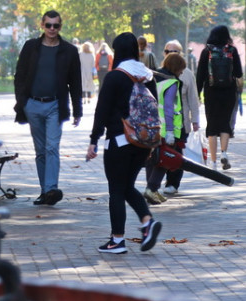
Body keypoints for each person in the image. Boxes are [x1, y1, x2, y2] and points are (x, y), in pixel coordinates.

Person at [86, 32, 163, 254]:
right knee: (127, 186)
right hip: (142, 142)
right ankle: (147, 222)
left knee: (116, 191)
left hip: (119, 141)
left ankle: (117, 240)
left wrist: (94, 140)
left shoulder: (115, 76)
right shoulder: (148, 77)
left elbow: (102, 111)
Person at [13, 10, 83, 206]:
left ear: (60, 26)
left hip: (55, 105)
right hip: (32, 104)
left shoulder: (69, 51)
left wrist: (77, 111)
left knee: (52, 147)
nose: (52, 29)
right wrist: (23, 102)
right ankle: (45, 192)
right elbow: (20, 75)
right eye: (48, 25)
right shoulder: (31, 47)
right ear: (42, 25)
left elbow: (75, 83)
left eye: (56, 25)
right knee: (41, 151)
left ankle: (51, 188)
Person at [196, 25, 242, 170]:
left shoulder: (206, 51)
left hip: (211, 92)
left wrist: (197, 94)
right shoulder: (232, 51)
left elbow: (200, 75)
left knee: (212, 126)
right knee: (225, 124)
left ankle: (214, 163)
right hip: (229, 92)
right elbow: (239, 73)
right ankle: (224, 153)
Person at [144, 52, 188, 205]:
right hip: (166, 129)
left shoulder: (153, 78)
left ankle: (151, 190)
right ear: (175, 68)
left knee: (152, 159)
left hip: (151, 126)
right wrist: (170, 131)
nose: (182, 72)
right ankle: (152, 188)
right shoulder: (171, 83)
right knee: (164, 161)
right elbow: (169, 108)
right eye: (181, 69)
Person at [160, 40, 201, 195]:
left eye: (175, 52)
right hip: (160, 124)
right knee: (160, 153)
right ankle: (156, 182)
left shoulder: (187, 74)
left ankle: (173, 183)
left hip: (180, 123)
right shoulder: (158, 73)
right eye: (167, 51)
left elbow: (193, 99)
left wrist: (195, 120)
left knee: (176, 153)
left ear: (181, 54)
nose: (171, 54)